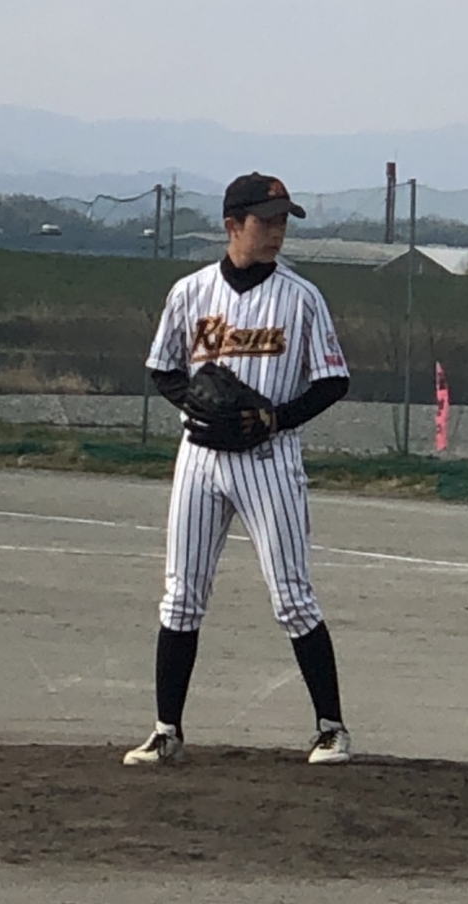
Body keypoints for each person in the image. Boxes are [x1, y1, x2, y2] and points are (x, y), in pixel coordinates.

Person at [123, 172, 351, 767]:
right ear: (233, 225)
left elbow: (333, 380)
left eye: (282, 222)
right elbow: (163, 367)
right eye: (266, 221)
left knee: (293, 597)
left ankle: (331, 729)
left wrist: (276, 418)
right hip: (200, 458)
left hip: (268, 461)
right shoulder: (190, 292)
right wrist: (197, 407)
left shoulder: (301, 298)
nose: (277, 232)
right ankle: (166, 731)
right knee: (181, 597)